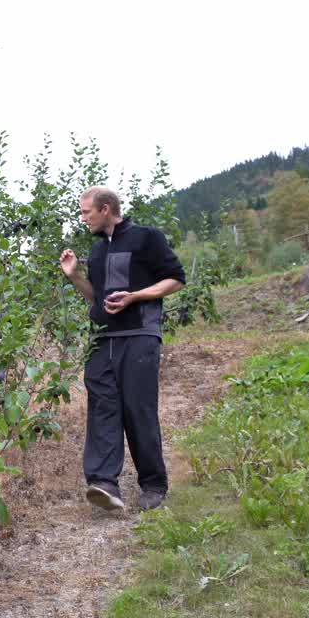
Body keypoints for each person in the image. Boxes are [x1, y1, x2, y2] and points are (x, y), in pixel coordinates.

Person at [58, 186, 185, 512]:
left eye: (86, 212)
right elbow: (95, 298)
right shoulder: (97, 251)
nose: (82, 218)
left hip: (140, 335)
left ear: (104, 209)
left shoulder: (147, 238)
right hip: (102, 339)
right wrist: (75, 277)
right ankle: (103, 483)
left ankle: (154, 484)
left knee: (138, 409)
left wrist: (134, 296)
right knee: (102, 407)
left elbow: (175, 278)